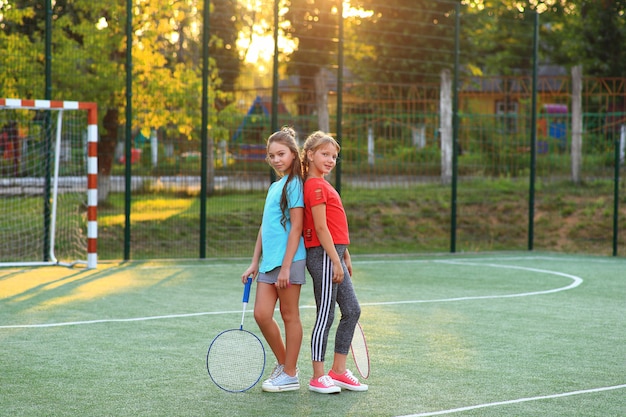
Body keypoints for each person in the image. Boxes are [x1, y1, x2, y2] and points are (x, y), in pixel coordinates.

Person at [301, 131, 368, 394]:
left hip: (334, 254)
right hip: (323, 256)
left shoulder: (323, 184)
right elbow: (320, 227)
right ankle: (318, 375)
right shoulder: (314, 185)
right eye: (324, 154)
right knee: (326, 315)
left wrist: (344, 254)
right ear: (309, 154)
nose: (330, 160)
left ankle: (338, 371)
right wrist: (334, 260)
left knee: (352, 310)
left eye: (334, 156)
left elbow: (334, 225)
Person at [241, 127, 306, 392]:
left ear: (293, 154)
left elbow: (298, 227)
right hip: (268, 263)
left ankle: (289, 373)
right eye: (272, 156)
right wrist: (254, 262)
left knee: (289, 315)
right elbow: (265, 227)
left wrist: (287, 267)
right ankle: (285, 365)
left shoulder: (295, 185)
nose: (277, 159)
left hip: (289, 262)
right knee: (261, 314)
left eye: (281, 154)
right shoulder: (275, 186)